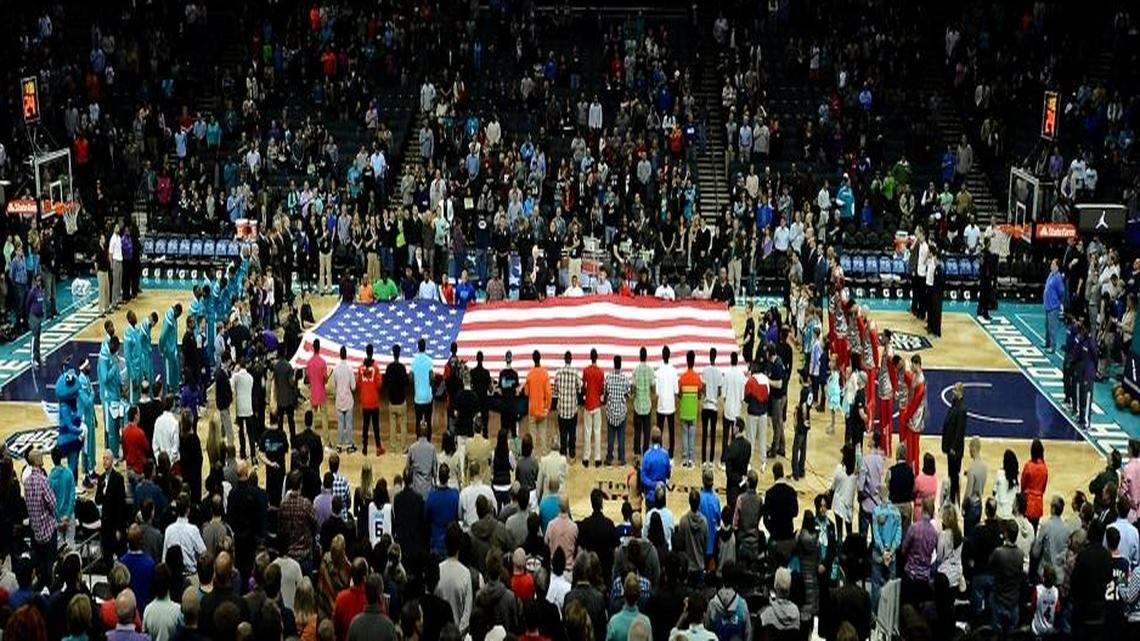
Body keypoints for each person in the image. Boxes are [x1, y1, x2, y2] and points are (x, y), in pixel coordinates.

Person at [940, 382, 967, 505]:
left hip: (954, 450)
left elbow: (960, 431)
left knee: (954, 475)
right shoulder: (955, 405)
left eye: (955, 390)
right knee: (952, 474)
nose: (953, 392)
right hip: (950, 448)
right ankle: (952, 497)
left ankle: (953, 500)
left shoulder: (962, 409)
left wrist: (953, 448)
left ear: (960, 393)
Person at [678, 350, 702, 468]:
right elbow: (699, 394)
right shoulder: (697, 378)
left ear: (687, 361)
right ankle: (691, 459)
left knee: (684, 435)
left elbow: (679, 394)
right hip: (693, 411)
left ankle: (685, 458)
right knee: (691, 435)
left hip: (684, 411)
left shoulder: (682, 378)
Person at [525, 351, 553, 453]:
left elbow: (526, 392)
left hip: (532, 409)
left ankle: (532, 458)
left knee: (532, 436)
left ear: (533, 359)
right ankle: (543, 458)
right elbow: (549, 393)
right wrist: (547, 408)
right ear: (540, 358)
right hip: (542, 410)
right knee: (543, 436)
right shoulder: (545, 374)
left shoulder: (530, 374)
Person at [655, 346, 680, 459]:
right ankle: (671, 453)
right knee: (671, 430)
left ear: (662, 355)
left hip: (661, 405)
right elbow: (676, 391)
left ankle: (659, 451)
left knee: (659, 429)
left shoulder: (658, 372)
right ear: (669, 356)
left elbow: (656, 392)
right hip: (670, 405)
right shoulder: (674, 371)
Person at [333, 346, 357, 453]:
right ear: (346, 355)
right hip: (348, 400)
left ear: (340, 354)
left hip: (339, 399)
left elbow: (334, 384)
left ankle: (339, 445)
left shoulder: (336, 368)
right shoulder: (350, 368)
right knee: (348, 424)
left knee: (340, 423)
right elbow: (353, 387)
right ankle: (349, 445)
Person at [1022, 439, 1049, 528]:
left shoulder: (1028, 466)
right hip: (1038, 505)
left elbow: (1023, 484)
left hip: (1028, 504)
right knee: (1034, 529)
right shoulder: (1044, 468)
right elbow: (1043, 488)